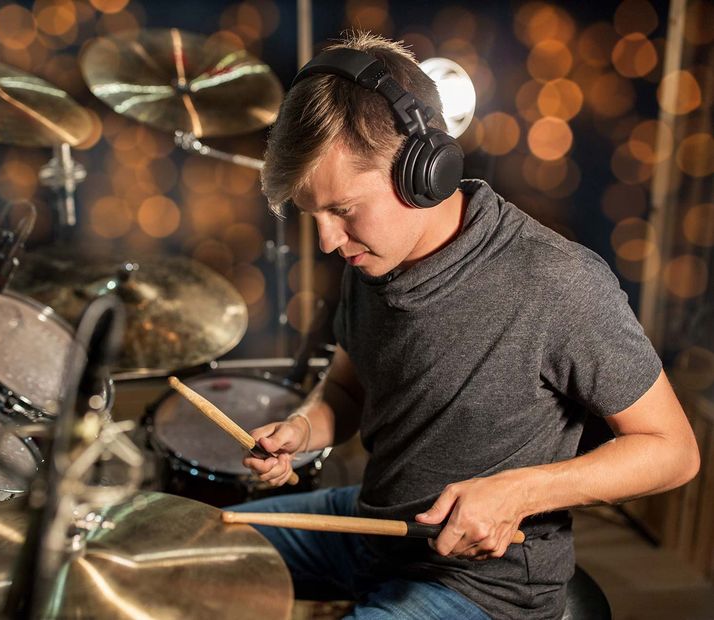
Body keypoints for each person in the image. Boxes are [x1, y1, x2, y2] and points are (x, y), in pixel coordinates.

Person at [234, 31, 700, 620]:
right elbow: (351, 388)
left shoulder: (556, 281)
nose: (328, 240)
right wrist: (304, 430)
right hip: (378, 527)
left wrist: (519, 491)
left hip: (482, 583)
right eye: (314, 214)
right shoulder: (372, 258)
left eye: (342, 210)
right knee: (178, 546)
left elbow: (673, 452)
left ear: (421, 171)